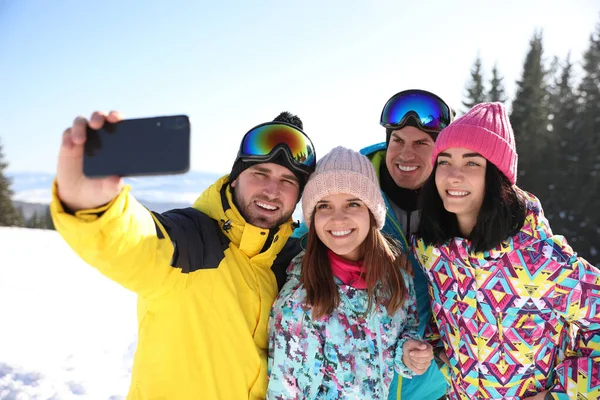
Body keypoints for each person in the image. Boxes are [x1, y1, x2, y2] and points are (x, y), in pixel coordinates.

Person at [50, 110, 316, 399]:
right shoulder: (190, 242)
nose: (272, 190)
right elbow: (134, 240)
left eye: (288, 181)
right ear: (235, 178)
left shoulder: (289, 265)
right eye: (260, 173)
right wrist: (94, 206)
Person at [413, 102, 600, 400]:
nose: (454, 175)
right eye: (445, 161)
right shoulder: (431, 251)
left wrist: (560, 394)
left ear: (496, 176)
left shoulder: (541, 258)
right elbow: (438, 317)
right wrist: (438, 353)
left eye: (472, 163)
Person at [267, 146, 433, 399]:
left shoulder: (396, 278)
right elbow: (287, 394)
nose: (338, 218)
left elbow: (402, 331)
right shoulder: (300, 302)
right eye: (324, 206)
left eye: (352, 203)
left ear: (372, 212)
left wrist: (406, 352)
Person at [361, 89, 454, 399]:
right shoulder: (350, 192)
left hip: (433, 388)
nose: (405, 155)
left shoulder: (460, 203)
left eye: (421, 144)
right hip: (361, 384)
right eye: (397, 141)